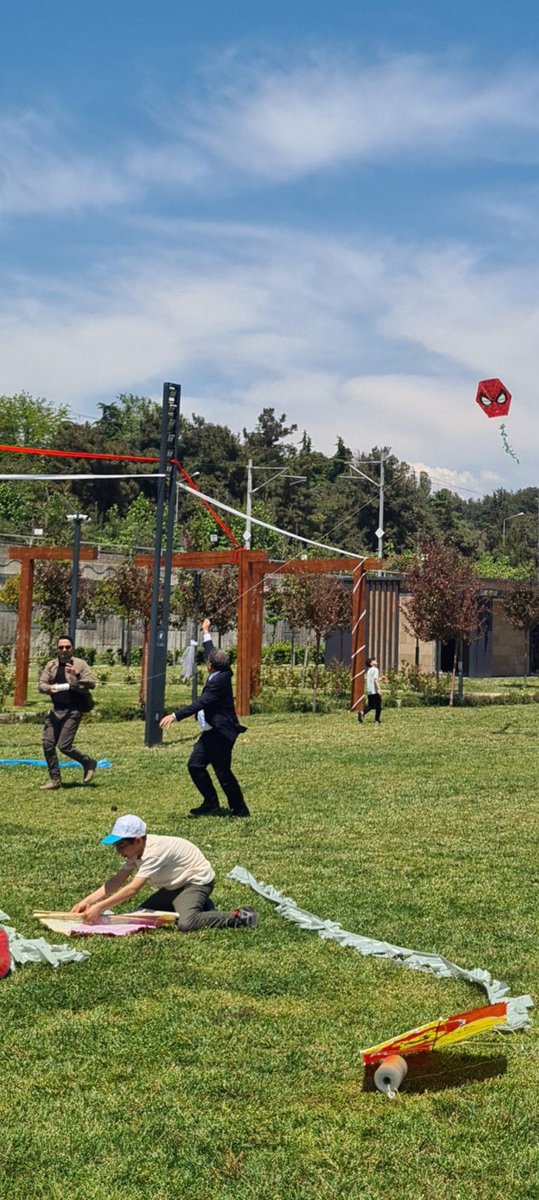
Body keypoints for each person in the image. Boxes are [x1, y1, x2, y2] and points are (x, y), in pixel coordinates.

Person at [70, 813, 258, 930]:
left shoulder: (153, 852)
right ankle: (201, 905)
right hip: (174, 885)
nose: (119, 852)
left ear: (137, 840)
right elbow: (117, 881)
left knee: (187, 923)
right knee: (139, 915)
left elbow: (132, 889)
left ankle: (240, 917)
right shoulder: (135, 851)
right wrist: (86, 902)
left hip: (196, 882)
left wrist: (100, 907)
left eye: (121, 846)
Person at [160, 618, 250, 818]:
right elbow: (211, 651)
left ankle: (240, 810)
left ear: (210, 666)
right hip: (212, 732)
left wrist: (174, 716)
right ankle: (210, 802)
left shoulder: (218, 683)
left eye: (207, 661)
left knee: (223, 772)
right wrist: (205, 630)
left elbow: (200, 704)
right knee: (195, 765)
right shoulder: (223, 668)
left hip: (221, 734)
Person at [39, 634, 97, 790]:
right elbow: (41, 683)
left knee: (64, 746)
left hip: (73, 710)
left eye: (67, 647)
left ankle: (88, 762)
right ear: (57, 649)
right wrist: (48, 688)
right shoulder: (51, 665)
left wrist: (77, 675)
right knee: (48, 744)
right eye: (61, 647)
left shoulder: (80, 664)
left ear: (72, 648)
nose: (64, 650)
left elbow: (92, 684)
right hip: (56, 710)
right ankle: (55, 780)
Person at [358, 656, 382, 725]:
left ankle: (362, 712)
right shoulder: (376, 669)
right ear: (371, 663)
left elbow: (374, 680)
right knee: (378, 707)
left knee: (371, 705)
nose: (375, 660)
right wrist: (379, 689)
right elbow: (375, 680)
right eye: (373, 660)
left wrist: (380, 679)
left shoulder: (369, 671)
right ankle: (377, 720)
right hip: (375, 691)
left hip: (369, 691)